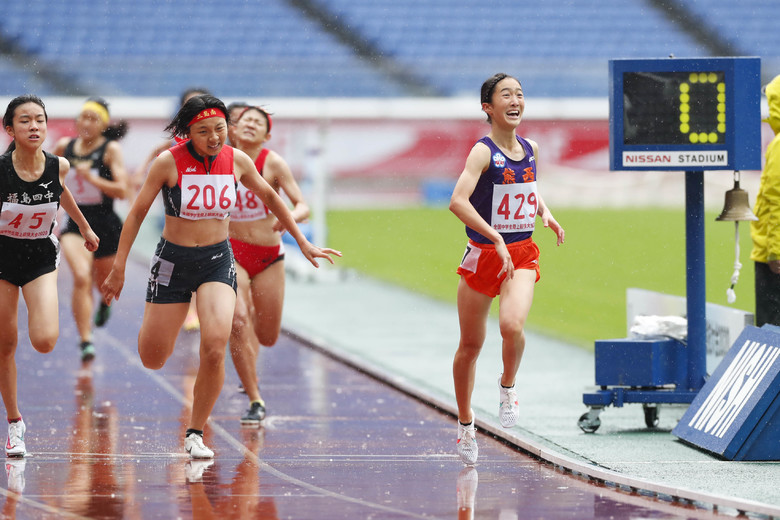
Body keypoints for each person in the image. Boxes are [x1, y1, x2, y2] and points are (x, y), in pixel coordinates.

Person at [99, 94, 340, 459]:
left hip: (217, 260)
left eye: (220, 129)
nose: (214, 137)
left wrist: (303, 242)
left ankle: (195, 431)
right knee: (153, 357)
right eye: (204, 131)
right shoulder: (169, 162)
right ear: (187, 132)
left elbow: (272, 199)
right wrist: (118, 268)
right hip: (173, 262)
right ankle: (160, 330)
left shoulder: (237, 160)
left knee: (215, 344)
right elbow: (134, 215)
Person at [449, 73, 565, 465]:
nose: (515, 100)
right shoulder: (482, 153)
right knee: (470, 347)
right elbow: (458, 202)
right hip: (483, 255)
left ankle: (507, 385)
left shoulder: (531, 147)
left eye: (519, 93)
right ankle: (466, 424)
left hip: (521, 255)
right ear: (488, 107)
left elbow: (527, 188)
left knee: (512, 326)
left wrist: (545, 214)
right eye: (506, 94)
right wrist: (494, 237)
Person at [0, 95, 99, 458]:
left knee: (44, 341)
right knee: (5, 344)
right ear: (9, 129)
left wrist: (85, 228)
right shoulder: (1, 170)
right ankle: (14, 423)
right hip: (2, 258)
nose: (34, 127)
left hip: (40, 255)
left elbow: (62, 192)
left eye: (39, 120)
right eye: (24, 121)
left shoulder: (59, 165)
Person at [228, 106, 310, 424]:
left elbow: (302, 205)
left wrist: (288, 218)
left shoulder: (272, 162)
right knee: (237, 320)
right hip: (231, 251)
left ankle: (248, 368)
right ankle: (254, 397)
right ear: (233, 129)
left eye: (258, 122)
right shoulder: (222, 159)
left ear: (267, 135)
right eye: (245, 120)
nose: (250, 124)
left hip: (268, 256)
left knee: (267, 336)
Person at [53, 98, 129, 362]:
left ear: (103, 124)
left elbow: (123, 190)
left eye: (93, 118)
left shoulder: (111, 150)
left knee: (104, 285)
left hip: (106, 224)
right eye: (83, 116)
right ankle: (86, 339)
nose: (86, 122)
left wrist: (91, 178)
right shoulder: (65, 147)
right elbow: (47, 177)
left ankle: (105, 304)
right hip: (76, 224)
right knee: (82, 277)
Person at [132, 87, 213, 333]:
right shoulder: (176, 140)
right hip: (179, 211)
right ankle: (187, 308)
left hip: (209, 214)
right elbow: (157, 151)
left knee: (206, 258)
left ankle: (199, 310)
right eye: (190, 104)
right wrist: (140, 171)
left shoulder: (216, 138)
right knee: (184, 259)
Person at [751, 73, 780, 327]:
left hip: (772, 259)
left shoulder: (779, 145)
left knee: (771, 332)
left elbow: (776, 201)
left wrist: (776, 251)